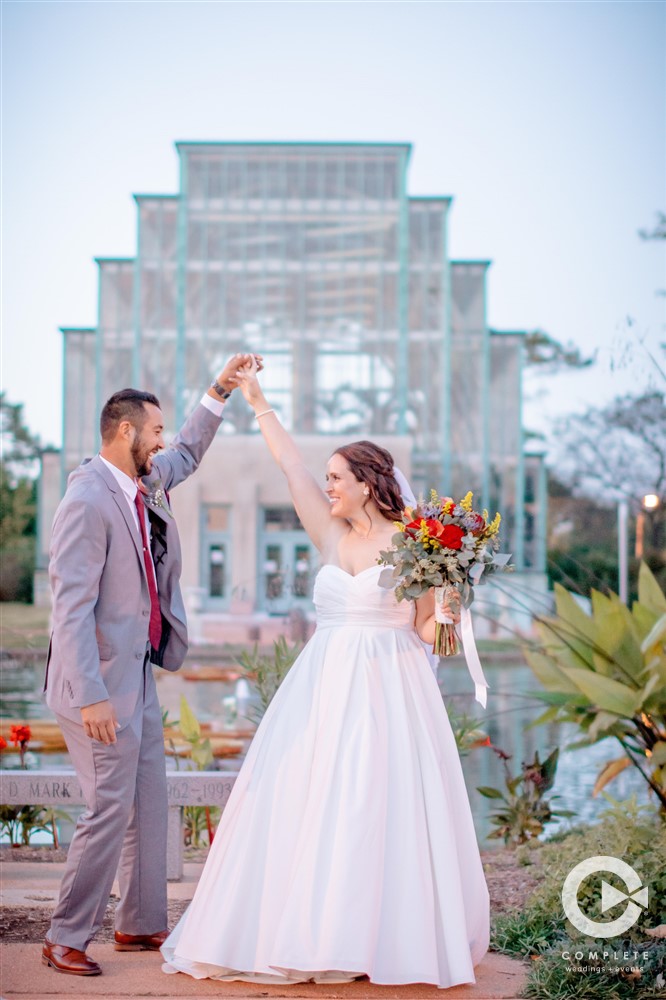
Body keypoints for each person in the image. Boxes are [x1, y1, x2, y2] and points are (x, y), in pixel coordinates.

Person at [161, 358, 490, 989]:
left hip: (391, 688)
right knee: (307, 803)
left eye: (339, 477)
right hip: (320, 686)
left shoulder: (420, 541)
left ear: (369, 482)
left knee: (374, 805)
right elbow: (290, 465)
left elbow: (429, 635)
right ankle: (308, 933)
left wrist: (446, 613)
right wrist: (256, 399)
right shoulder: (331, 533)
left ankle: (374, 936)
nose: (329, 485)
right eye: (330, 477)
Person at [42, 354, 258, 977]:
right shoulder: (86, 500)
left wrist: (219, 389)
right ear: (127, 432)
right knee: (109, 805)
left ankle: (138, 925)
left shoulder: (142, 480)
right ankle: (65, 935)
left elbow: (188, 453)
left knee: (147, 796)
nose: (163, 442)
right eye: (155, 432)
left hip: (134, 673)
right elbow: (70, 611)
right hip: (94, 685)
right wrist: (91, 697)